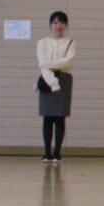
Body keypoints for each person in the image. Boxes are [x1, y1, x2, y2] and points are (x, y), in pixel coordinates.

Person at [35, 10, 76, 163]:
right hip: (46, 77)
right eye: (55, 22)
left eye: (62, 23)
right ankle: (47, 152)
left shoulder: (71, 42)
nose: (58, 26)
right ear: (51, 24)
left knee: (60, 117)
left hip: (64, 79)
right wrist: (51, 69)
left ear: (66, 25)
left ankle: (57, 153)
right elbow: (41, 62)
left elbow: (68, 62)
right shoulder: (42, 42)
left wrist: (48, 64)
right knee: (47, 117)